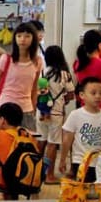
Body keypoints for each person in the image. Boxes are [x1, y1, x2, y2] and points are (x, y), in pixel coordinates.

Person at [59, 77, 101, 182]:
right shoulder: (75, 115)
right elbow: (67, 140)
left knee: (98, 191)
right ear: (82, 95)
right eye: (93, 93)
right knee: (83, 192)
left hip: (99, 162)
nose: (98, 96)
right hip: (80, 161)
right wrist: (63, 160)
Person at [0, 22, 43, 130]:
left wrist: (34, 108)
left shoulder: (37, 61)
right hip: (6, 109)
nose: (23, 39)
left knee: (25, 144)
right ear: (15, 38)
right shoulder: (6, 59)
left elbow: (34, 89)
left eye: (27, 36)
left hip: (26, 110)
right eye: (19, 36)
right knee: (4, 144)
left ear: (33, 39)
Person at [39, 45, 75, 184]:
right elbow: (71, 94)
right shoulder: (64, 74)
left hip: (41, 112)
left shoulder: (42, 72)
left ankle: (35, 173)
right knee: (52, 144)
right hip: (56, 112)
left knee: (41, 141)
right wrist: (63, 100)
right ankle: (49, 175)